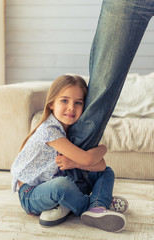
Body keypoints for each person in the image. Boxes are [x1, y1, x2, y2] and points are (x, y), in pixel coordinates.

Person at [59, 0, 154, 230]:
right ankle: (72, 187)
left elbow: (100, 161)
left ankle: (89, 200)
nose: (71, 107)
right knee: (102, 84)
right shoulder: (49, 132)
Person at [11, 75, 127, 233]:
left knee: (107, 173)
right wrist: (103, 149)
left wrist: (74, 164)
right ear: (51, 103)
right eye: (64, 100)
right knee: (62, 186)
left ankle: (98, 206)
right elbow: (87, 159)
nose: (71, 107)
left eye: (78, 102)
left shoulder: (74, 131)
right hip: (32, 194)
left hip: (57, 182)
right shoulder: (49, 130)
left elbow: (101, 166)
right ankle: (96, 204)